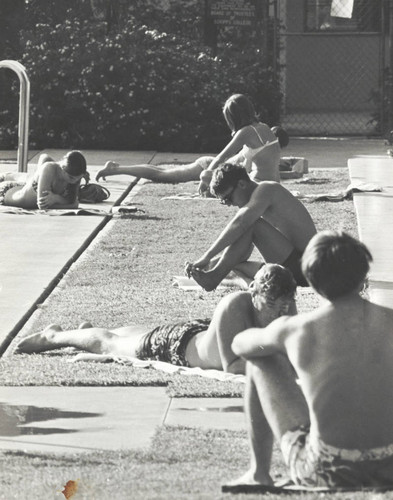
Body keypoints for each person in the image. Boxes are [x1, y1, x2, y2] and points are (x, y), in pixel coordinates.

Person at [226, 231, 393, 489]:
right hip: (388, 468)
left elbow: (240, 344)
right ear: (363, 276)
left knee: (260, 362)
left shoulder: (297, 329)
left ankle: (259, 474)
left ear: (312, 282)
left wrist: (276, 336)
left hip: (325, 469)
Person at [15, 264, 297, 375]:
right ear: (253, 293)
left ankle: (86, 333)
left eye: (286, 306)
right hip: (175, 346)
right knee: (110, 343)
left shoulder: (286, 307)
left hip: (199, 334)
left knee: (129, 335)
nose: (281, 314)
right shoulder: (234, 305)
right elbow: (233, 366)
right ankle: (54, 336)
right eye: (272, 305)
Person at [95, 94, 287, 190]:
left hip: (228, 171)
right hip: (215, 167)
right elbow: (220, 159)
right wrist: (206, 178)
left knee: (163, 173)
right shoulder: (257, 129)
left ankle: (117, 167)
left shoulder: (252, 131)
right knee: (163, 175)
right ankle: (117, 169)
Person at [186, 163, 317, 291]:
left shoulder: (267, 189)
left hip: (306, 267)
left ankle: (214, 278)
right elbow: (242, 251)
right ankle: (216, 274)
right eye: (223, 202)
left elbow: (240, 223)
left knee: (253, 224)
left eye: (228, 198)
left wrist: (207, 256)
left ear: (242, 184)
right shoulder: (258, 201)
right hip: (297, 265)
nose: (229, 204)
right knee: (230, 265)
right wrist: (210, 264)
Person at [0, 151, 87, 210]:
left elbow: (70, 200)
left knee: (29, 179)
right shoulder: (49, 168)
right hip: (5, 192)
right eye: (71, 178)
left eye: (78, 178)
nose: (75, 181)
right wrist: (70, 206)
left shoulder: (75, 175)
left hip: (21, 187)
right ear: (62, 168)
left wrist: (56, 198)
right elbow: (42, 205)